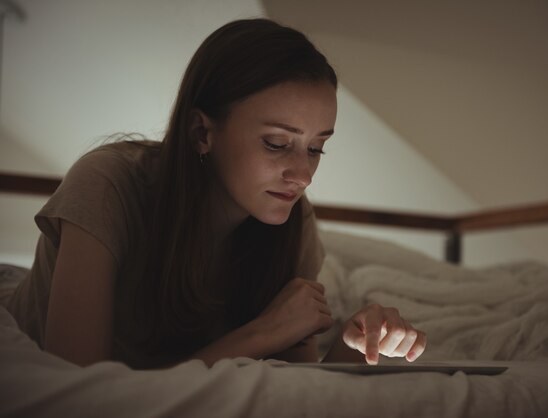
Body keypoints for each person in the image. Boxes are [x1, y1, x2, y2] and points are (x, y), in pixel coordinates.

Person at [7, 18, 426, 369]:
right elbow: (78, 392)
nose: (303, 175)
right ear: (201, 132)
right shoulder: (109, 183)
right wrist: (261, 333)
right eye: (277, 143)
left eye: (317, 148)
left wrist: (356, 344)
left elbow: (301, 386)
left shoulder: (292, 220)